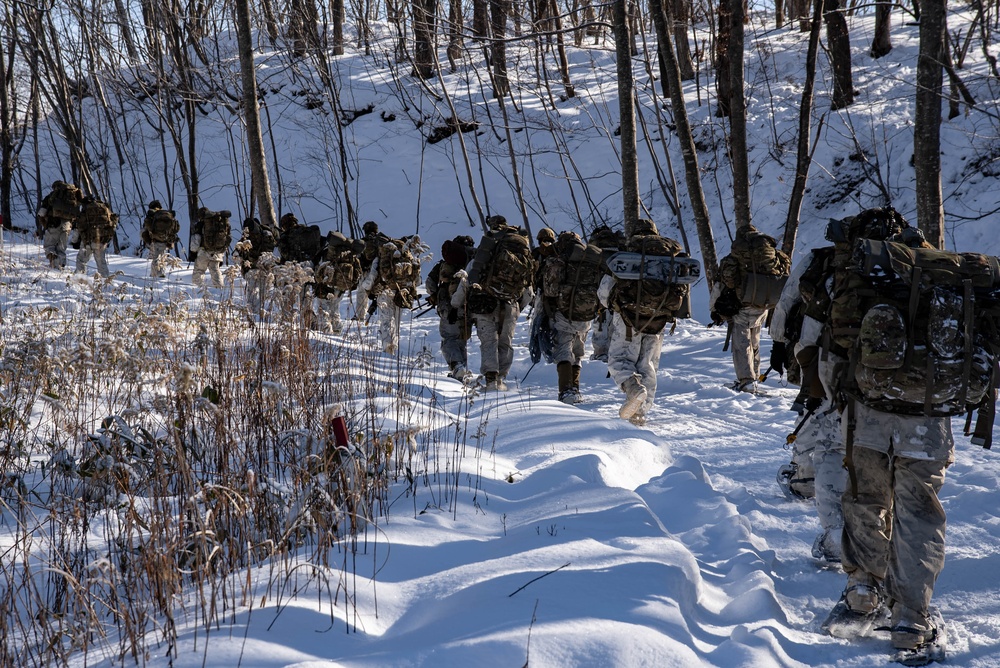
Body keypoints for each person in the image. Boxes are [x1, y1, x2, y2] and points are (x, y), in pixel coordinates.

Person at [822, 207, 969, 662]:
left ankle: (863, 591)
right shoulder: (948, 276)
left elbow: (836, 342)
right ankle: (911, 619)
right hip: (928, 418)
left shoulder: (859, 275)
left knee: (866, 500)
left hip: (869, 414)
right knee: (920, 516)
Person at [770, 225, 851, 564]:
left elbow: (790, 300)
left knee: (820, 425)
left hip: (833, 364)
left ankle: (807, 485)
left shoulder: (824, 263)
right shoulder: (912, 267)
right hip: (909, 384)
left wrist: (778, 343)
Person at [598, 218, 689, 424]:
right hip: (659, 318)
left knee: (619, 360)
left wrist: (611, 305)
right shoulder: (670, 258)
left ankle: (633, 388)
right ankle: (640, 414)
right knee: (647, 365)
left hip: (628, 317)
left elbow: (605, 291)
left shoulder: (627, 255)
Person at [454, 215, 535, 391]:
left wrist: (456, 303)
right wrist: (517, 306)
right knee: (505, 341)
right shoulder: (521, 251)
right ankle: (501, 379)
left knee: (489, 341)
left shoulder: (486, 251)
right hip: (511, 303)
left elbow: (467, 279)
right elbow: (529, 290)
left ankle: (491, 380)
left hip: (485, 303)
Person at [710, 224, 791, 393]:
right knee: (755, 342)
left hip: (744, 304)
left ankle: (747, 381)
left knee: (742, 344)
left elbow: (726, 281)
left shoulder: (735, 257)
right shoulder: (772, 254)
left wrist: (716, 307)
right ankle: (755, 378)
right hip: (765, 304)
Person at [539, 231, 604, 404]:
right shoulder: (591, 259)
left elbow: (551, 290)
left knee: (563, 351)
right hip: (586, 315)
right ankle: (575, 389)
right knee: (578, 352)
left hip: (564, 313)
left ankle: (566, 391)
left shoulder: (561, 259)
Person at [360, 233, 426, 354]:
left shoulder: (380, 257)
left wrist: (367, 290)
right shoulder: (407, 256)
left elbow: (372, 276)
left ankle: (388, 346)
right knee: (396, 320)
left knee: (386, 319)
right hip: (402, 292)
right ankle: (394, 347)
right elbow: (417, 279)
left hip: (384, 291)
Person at [426, 235, 476, 380]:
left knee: (449, 338)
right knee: (461, 338)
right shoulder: (475, 262)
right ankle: (461, 371)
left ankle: (457, 366)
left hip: (449, 305)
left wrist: (434, 295)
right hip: (470, 306)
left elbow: (430, 282)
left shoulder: (445, 263)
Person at [587, 225, 624, 362]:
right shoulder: (620, 249)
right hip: (618, 291)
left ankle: (600, 353)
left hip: (601, 291)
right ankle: (614, 353)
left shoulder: (596, 250)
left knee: (601, 324)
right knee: (616, 324)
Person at [313, 231, 362, 333]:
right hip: (341, 287)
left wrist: (318, 281)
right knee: (335, 309)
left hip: (326, 286)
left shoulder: (327, 253)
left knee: (324, 310)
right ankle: (336, 331)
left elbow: (319, 268)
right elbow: (358, 273)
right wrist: (350, 285)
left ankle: (325, 335)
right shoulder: (351, 256)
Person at [37, 180, 83, 269]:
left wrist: (44, 223)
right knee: (61, 248)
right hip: (67, 226)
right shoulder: (72, 197)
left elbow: (41, 213)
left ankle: (54, 266)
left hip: (53, 224)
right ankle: (61, 265)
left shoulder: (52, 196)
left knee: (49, 246)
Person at [235, 217, 277, 310]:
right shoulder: (267, 234)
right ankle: (260, 313)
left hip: (255, 268)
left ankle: (254, 313)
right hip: (265, 268)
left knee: (254, 292)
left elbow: (238, 252)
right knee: (262, 292)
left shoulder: (249, 237)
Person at [74, 196, 118, 277]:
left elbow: (80, 226)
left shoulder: (86, 210)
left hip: (88, 241)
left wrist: (75, 241)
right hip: (102, 240)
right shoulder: (104, 208)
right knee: (101, 263)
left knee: (81, 260)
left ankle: (78, 278)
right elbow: (113, 222)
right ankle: (106, 281)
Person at [354, 221, 390, 319]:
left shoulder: (364, 241)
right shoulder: (382, 240)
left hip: (367, 271)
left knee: (362, 292)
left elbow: (359, 257)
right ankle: (385, 316)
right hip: (382, 271)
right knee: (382, 293)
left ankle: (360, 315)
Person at [190, 207, 232, 288]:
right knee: (215, 270)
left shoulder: (202, 224)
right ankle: (219, 289)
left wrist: (193, 252)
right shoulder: (221, 223)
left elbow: (196, 239)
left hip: (204, 251)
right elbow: (228, 237)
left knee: (199, 270)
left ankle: (196, 289)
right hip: (218, 251)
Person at [141, 200, 180, 278]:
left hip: (156, 239)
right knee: (160, 256)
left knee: (157, 258)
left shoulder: (153, 215)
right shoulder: (167, 215)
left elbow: (146, 228)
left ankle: (159, 275)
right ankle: (154, 275)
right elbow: (176, 228)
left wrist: (148, 240)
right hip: (166, 240)